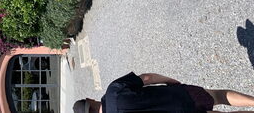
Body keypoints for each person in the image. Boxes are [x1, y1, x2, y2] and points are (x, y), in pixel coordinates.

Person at [73, 72, 254, 113]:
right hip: (180, 96)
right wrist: (170, 81)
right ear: (90, 99)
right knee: (219, 96)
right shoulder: (114, 89)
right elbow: (147, 78)